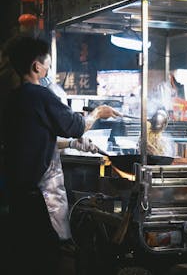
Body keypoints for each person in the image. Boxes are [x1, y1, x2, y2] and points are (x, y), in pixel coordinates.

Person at [2, 35, 120, 275]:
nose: (48, 68)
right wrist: (98, 112)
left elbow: (36, 141)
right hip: (36, 195)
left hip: (15, 193)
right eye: (47, 63)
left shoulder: (13, 98)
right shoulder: (41, 95)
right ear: (37, 66)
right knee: (44, 256)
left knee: (22, 254)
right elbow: (77, 126)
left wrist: (75, 145)